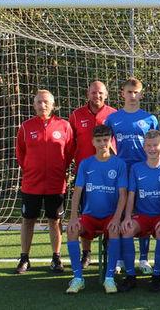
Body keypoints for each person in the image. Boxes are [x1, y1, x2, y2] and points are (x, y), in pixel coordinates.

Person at [14, 89, 73, 275]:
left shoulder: (64, 126)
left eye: (46, 102)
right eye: (39, 102)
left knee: (55, 221)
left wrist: (58, 169)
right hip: (31, 184)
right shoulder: (26, 127)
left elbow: (69, 152)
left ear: (53, 105)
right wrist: (31, 169)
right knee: (28, 220)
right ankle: (24, 258)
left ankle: (56, 258)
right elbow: (20, 153)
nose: (42, 105)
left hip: (56, 183)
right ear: (34, 105)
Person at [105, 77, 159, 274]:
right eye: (129, 92)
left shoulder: (150, 119)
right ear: (123, 94)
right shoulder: (113, 118)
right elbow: (105, 141)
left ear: (141, 94)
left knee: (143, 212)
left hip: (144, 172)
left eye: (136, 92)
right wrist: (115, 159)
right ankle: (119, 258)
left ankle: (144, 259)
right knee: (120, 213)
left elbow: (156, 145)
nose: (133, 96)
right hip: (122, 173)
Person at [64, 124, 128, 294]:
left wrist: (117, 218)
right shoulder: (86, 164)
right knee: (72, 230)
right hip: (89, 217)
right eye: (99, 140)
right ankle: (78, 278)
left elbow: (123, 195)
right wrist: (73, 217)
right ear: (93, 142)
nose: (102, 144)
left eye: (105, 140)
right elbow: (77, 192)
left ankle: (109, 278)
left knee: (114, 230)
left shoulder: (119, 164)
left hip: (110, 217)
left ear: (111, 141)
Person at [117, 130, 160, 292]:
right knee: (127, 230)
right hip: (142, 216)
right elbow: (131, 195)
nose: (152, 149)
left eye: (155, 145)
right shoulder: (136, 168)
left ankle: (157, 277)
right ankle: (130, 276)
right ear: (143, 147)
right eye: (149, 145)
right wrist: (127, 217)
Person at [68, 80, 117, 269]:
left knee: (109, 211)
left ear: (106, 94)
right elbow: (70, 144)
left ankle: (109, 247)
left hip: (108, 175)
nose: (97, 95)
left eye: (100, 93)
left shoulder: (113, 114)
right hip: (85, 173)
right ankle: (86, 253)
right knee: (85, 213)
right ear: (88, 94)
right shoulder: (76, 115)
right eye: (94, 92)